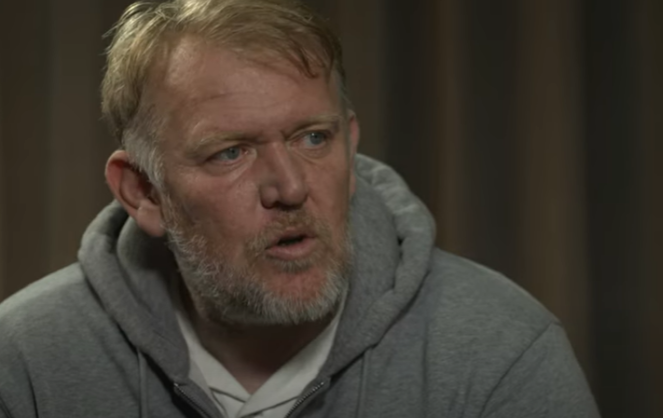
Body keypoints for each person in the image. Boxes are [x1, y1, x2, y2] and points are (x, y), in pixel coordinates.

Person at [0, 0, 600, 417]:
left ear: (350, 145)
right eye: (231, 152)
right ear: (144, 193)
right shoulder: (24, 363)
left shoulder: (500, 352)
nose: (289, 188)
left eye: (313, 138)